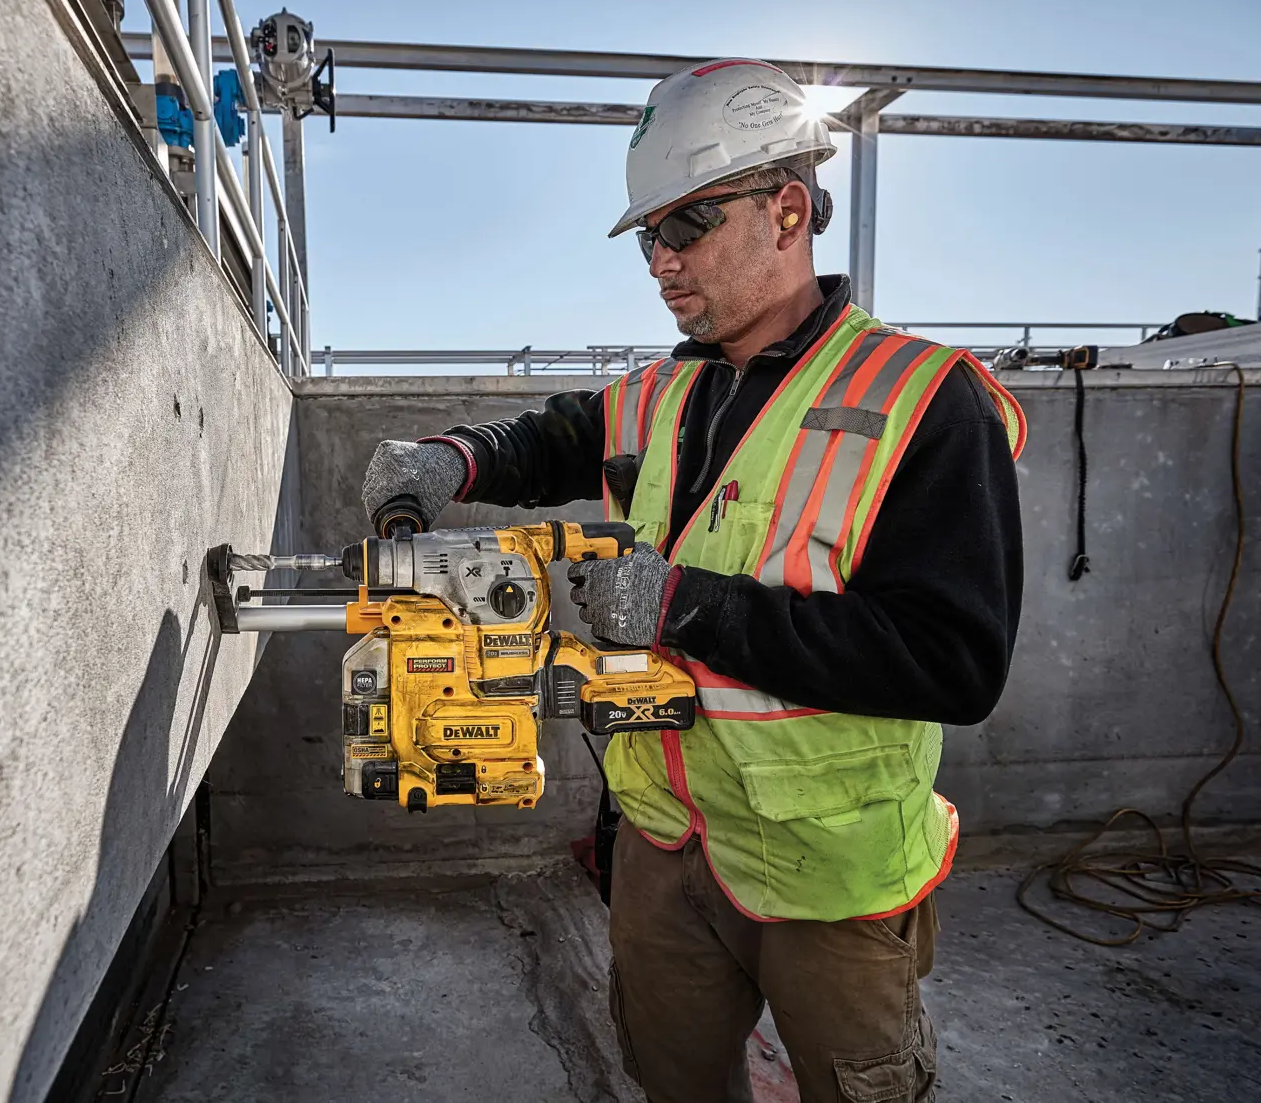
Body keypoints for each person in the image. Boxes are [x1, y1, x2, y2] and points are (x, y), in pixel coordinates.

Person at [359, 59, 1028, 1103]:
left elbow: (956, 661)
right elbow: (558, 437)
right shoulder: (665, 392)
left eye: (688, 226)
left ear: (788, 209)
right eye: (649, 238)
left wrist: (687, 607)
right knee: (673, 1078)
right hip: (664, 848)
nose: (661, 262)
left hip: (830, 879)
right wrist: (458, 456)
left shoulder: (922, 401)